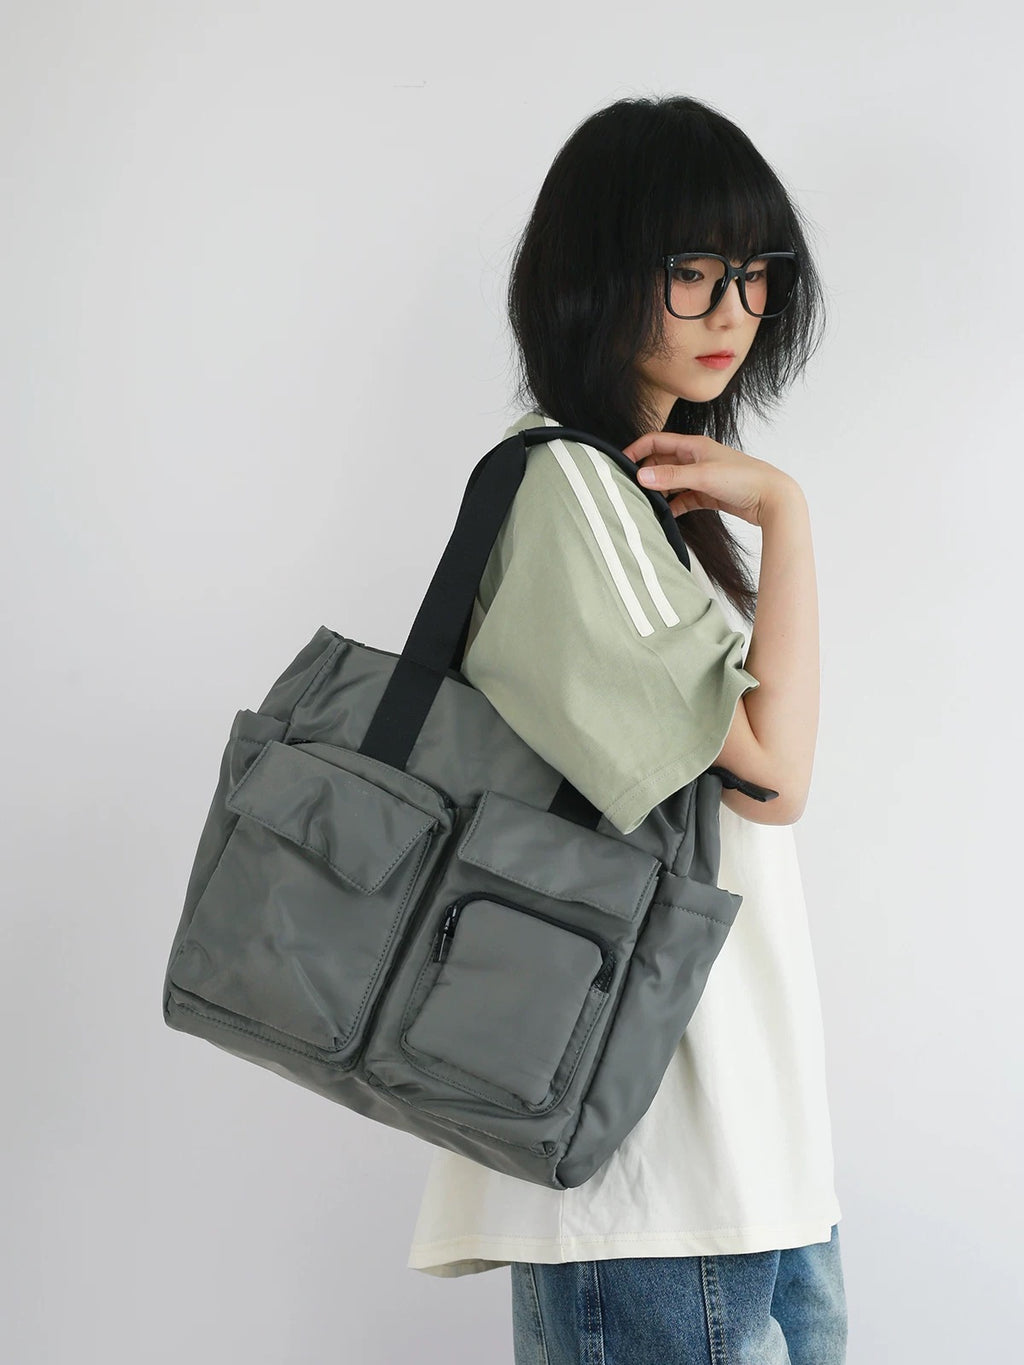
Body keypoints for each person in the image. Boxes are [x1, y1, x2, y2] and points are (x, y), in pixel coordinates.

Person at [406, 94, 848, 1365]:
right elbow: (770, 778)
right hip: (653, 1156)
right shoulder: (566, 487)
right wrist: (795, 522)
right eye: (690, 273)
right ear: (599, 277)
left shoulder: (652, 503)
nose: (732, 312)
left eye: (754, 275)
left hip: (734, 1135)